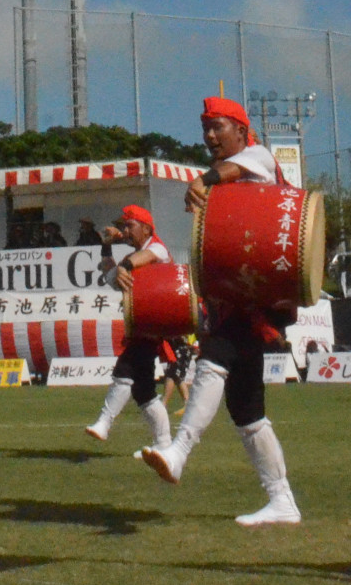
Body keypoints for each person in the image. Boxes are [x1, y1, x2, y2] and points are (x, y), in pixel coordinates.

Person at [139, 95, 302, 528]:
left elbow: (234, 169)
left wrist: (205, 180)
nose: (211, 136)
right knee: (247, 411)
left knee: (215, 357)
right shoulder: (233, 174)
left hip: (255, 300)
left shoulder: (259, 157)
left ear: (242, 131)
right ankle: (282, 500)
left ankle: (179, 452)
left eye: (219, 127)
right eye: (206, 129)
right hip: (239, 296)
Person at [83, 204, 176, 450]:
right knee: (143, 390)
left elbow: (137, 261)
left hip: (153, 323)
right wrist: (107, 246)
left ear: (146, 228)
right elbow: (111, 277)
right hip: (143, 323)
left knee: (126, 368)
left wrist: (123, 266)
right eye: (124, 225)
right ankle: (164, 445)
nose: (125, 229)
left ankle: (104, 422)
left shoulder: (156, 247)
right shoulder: (132, 257)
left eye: (130, 225)